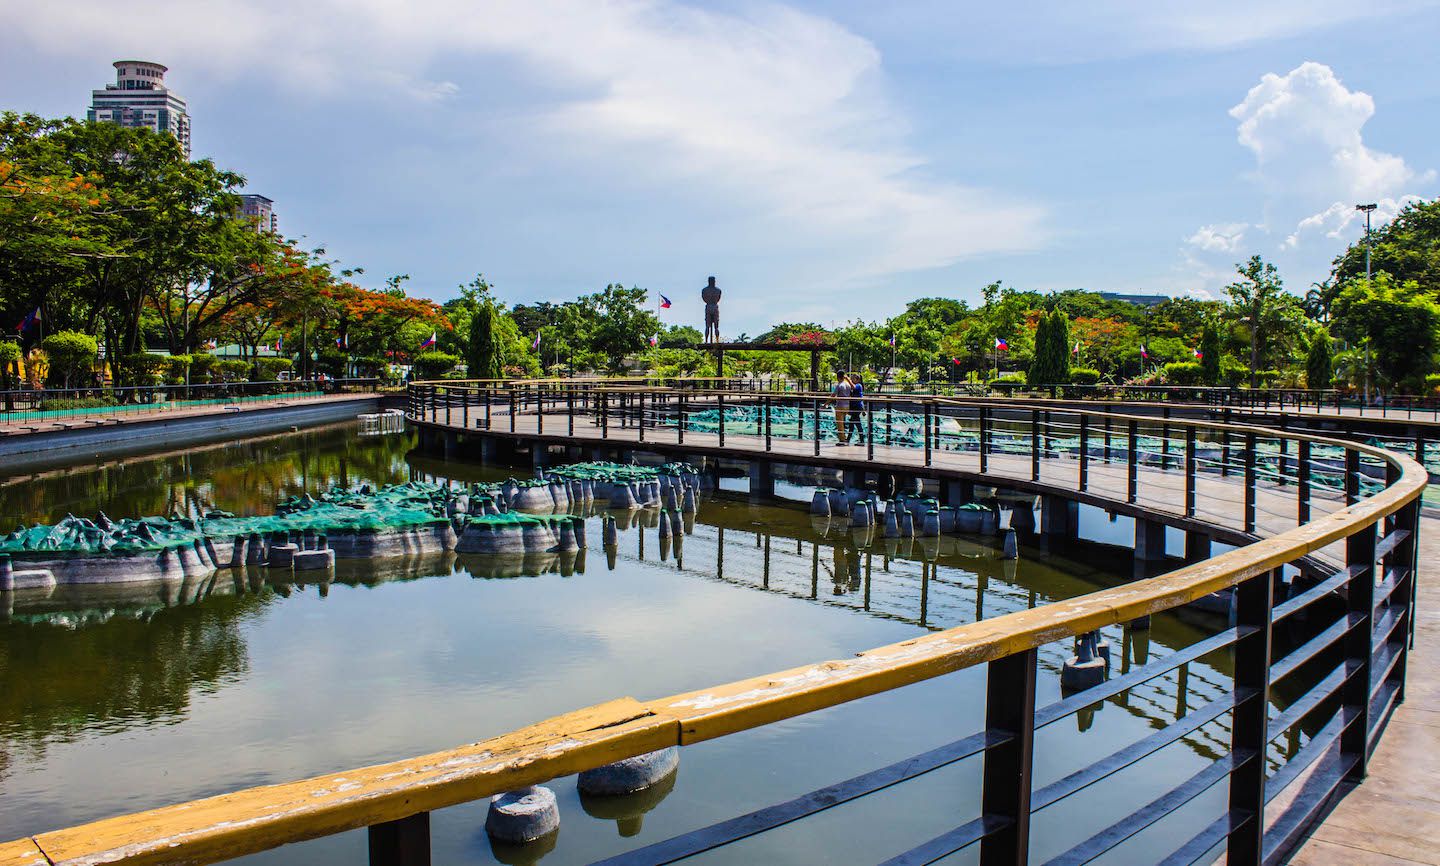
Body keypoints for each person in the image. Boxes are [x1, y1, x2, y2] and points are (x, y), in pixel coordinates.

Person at [830, 371, 853, 445]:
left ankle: (842, 440)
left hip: (840, 406)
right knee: (843, 423)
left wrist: (826, 403)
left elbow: (833, 395)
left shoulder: (839, 385)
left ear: (838, 377)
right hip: (847, 406)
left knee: (840, 424)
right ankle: (845, 438)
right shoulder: (848, 385)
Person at [846, 372, 866, 444]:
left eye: (853, 379)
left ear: (857, 380)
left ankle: (861, 441)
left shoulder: (858, 385)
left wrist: (847, 379)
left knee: (857, 424)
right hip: (855, 407)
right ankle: (848, 440)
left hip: (856, 408)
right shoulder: (856, 385)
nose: (851, 380)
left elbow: (853, 387)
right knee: (852, 424)